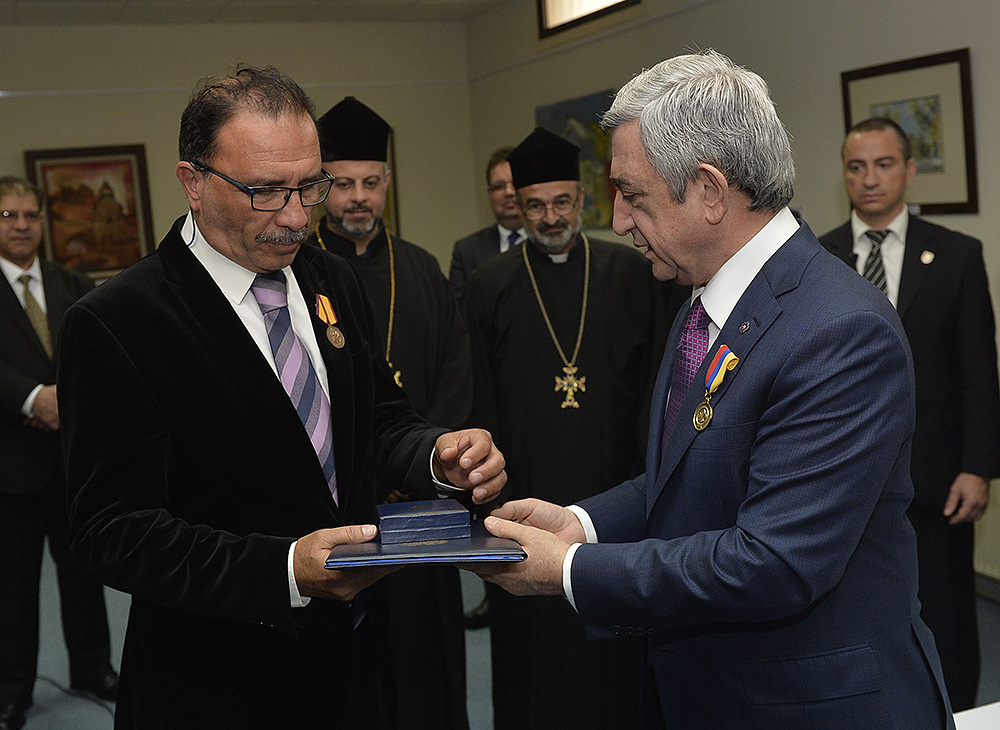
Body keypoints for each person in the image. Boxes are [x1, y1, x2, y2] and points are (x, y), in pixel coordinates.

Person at [474, 51, 957, 730]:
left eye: (633, 196)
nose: (619, 221)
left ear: (708, 190)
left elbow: (775, 562)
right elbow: (688, 474)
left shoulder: (841, 331)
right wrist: (579, 523)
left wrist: (572, 569)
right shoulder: (703, 304)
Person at [56, 65, 505, 730]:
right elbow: (112, 531)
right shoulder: (118, 323)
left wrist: (436, 455)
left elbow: (378, 418)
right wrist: (284, 569)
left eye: (309, 187)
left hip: (353, 661)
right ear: (193, 182)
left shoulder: (332, 280)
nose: (296, 218)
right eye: (265, 192)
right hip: (216, 681)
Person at [463, 126, 680, 730]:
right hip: (523, 501)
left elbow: (657, 384)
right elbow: (480, 401)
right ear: (517, 205)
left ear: (582, 199)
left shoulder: (631, 272)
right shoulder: (489, 285)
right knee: (532, 658)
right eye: (535, 206)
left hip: (614, 495)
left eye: (562, 202)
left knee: (612, 664)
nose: (551, 217)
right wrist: (491, 503)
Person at [819, 117, 1000, 711]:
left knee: (948, 622)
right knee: (854, 620)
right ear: (844, 175)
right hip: (841, 479)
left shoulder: (956, 255)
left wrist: (979, 467)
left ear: (909, 170)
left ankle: (958, 716)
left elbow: (979, 371)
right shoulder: (818, 256)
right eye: (856, 167)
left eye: (884, 164)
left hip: (937, 480)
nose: (869, 179)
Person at [307, 95, 473, 730]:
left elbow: (456, 374)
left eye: (371, 184)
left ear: (386, 183)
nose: (358, 199)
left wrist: (422, 459)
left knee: (426, 661)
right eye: (344, 184)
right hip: (343, 507)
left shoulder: (422, 269)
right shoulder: (302, 271)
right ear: (323, 186)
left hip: (423, 504)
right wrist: (373, 471)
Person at [0, 177, 118, 730]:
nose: (22, 225)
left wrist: (64, 398)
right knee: (13, 588)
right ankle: (12, 690)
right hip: (11, 468)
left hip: (75, 465)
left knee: (84, 575)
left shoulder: (72, 282)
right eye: (9, 215)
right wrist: (31, 398)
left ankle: (93, 670)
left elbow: (102, 353)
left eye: (31, 215)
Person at [448, 147, 526, 301]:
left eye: (515, 183)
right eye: (499, 186)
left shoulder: (547, 241)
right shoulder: (466, 251)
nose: (509, 192)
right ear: (490, 194)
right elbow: (458, 310)